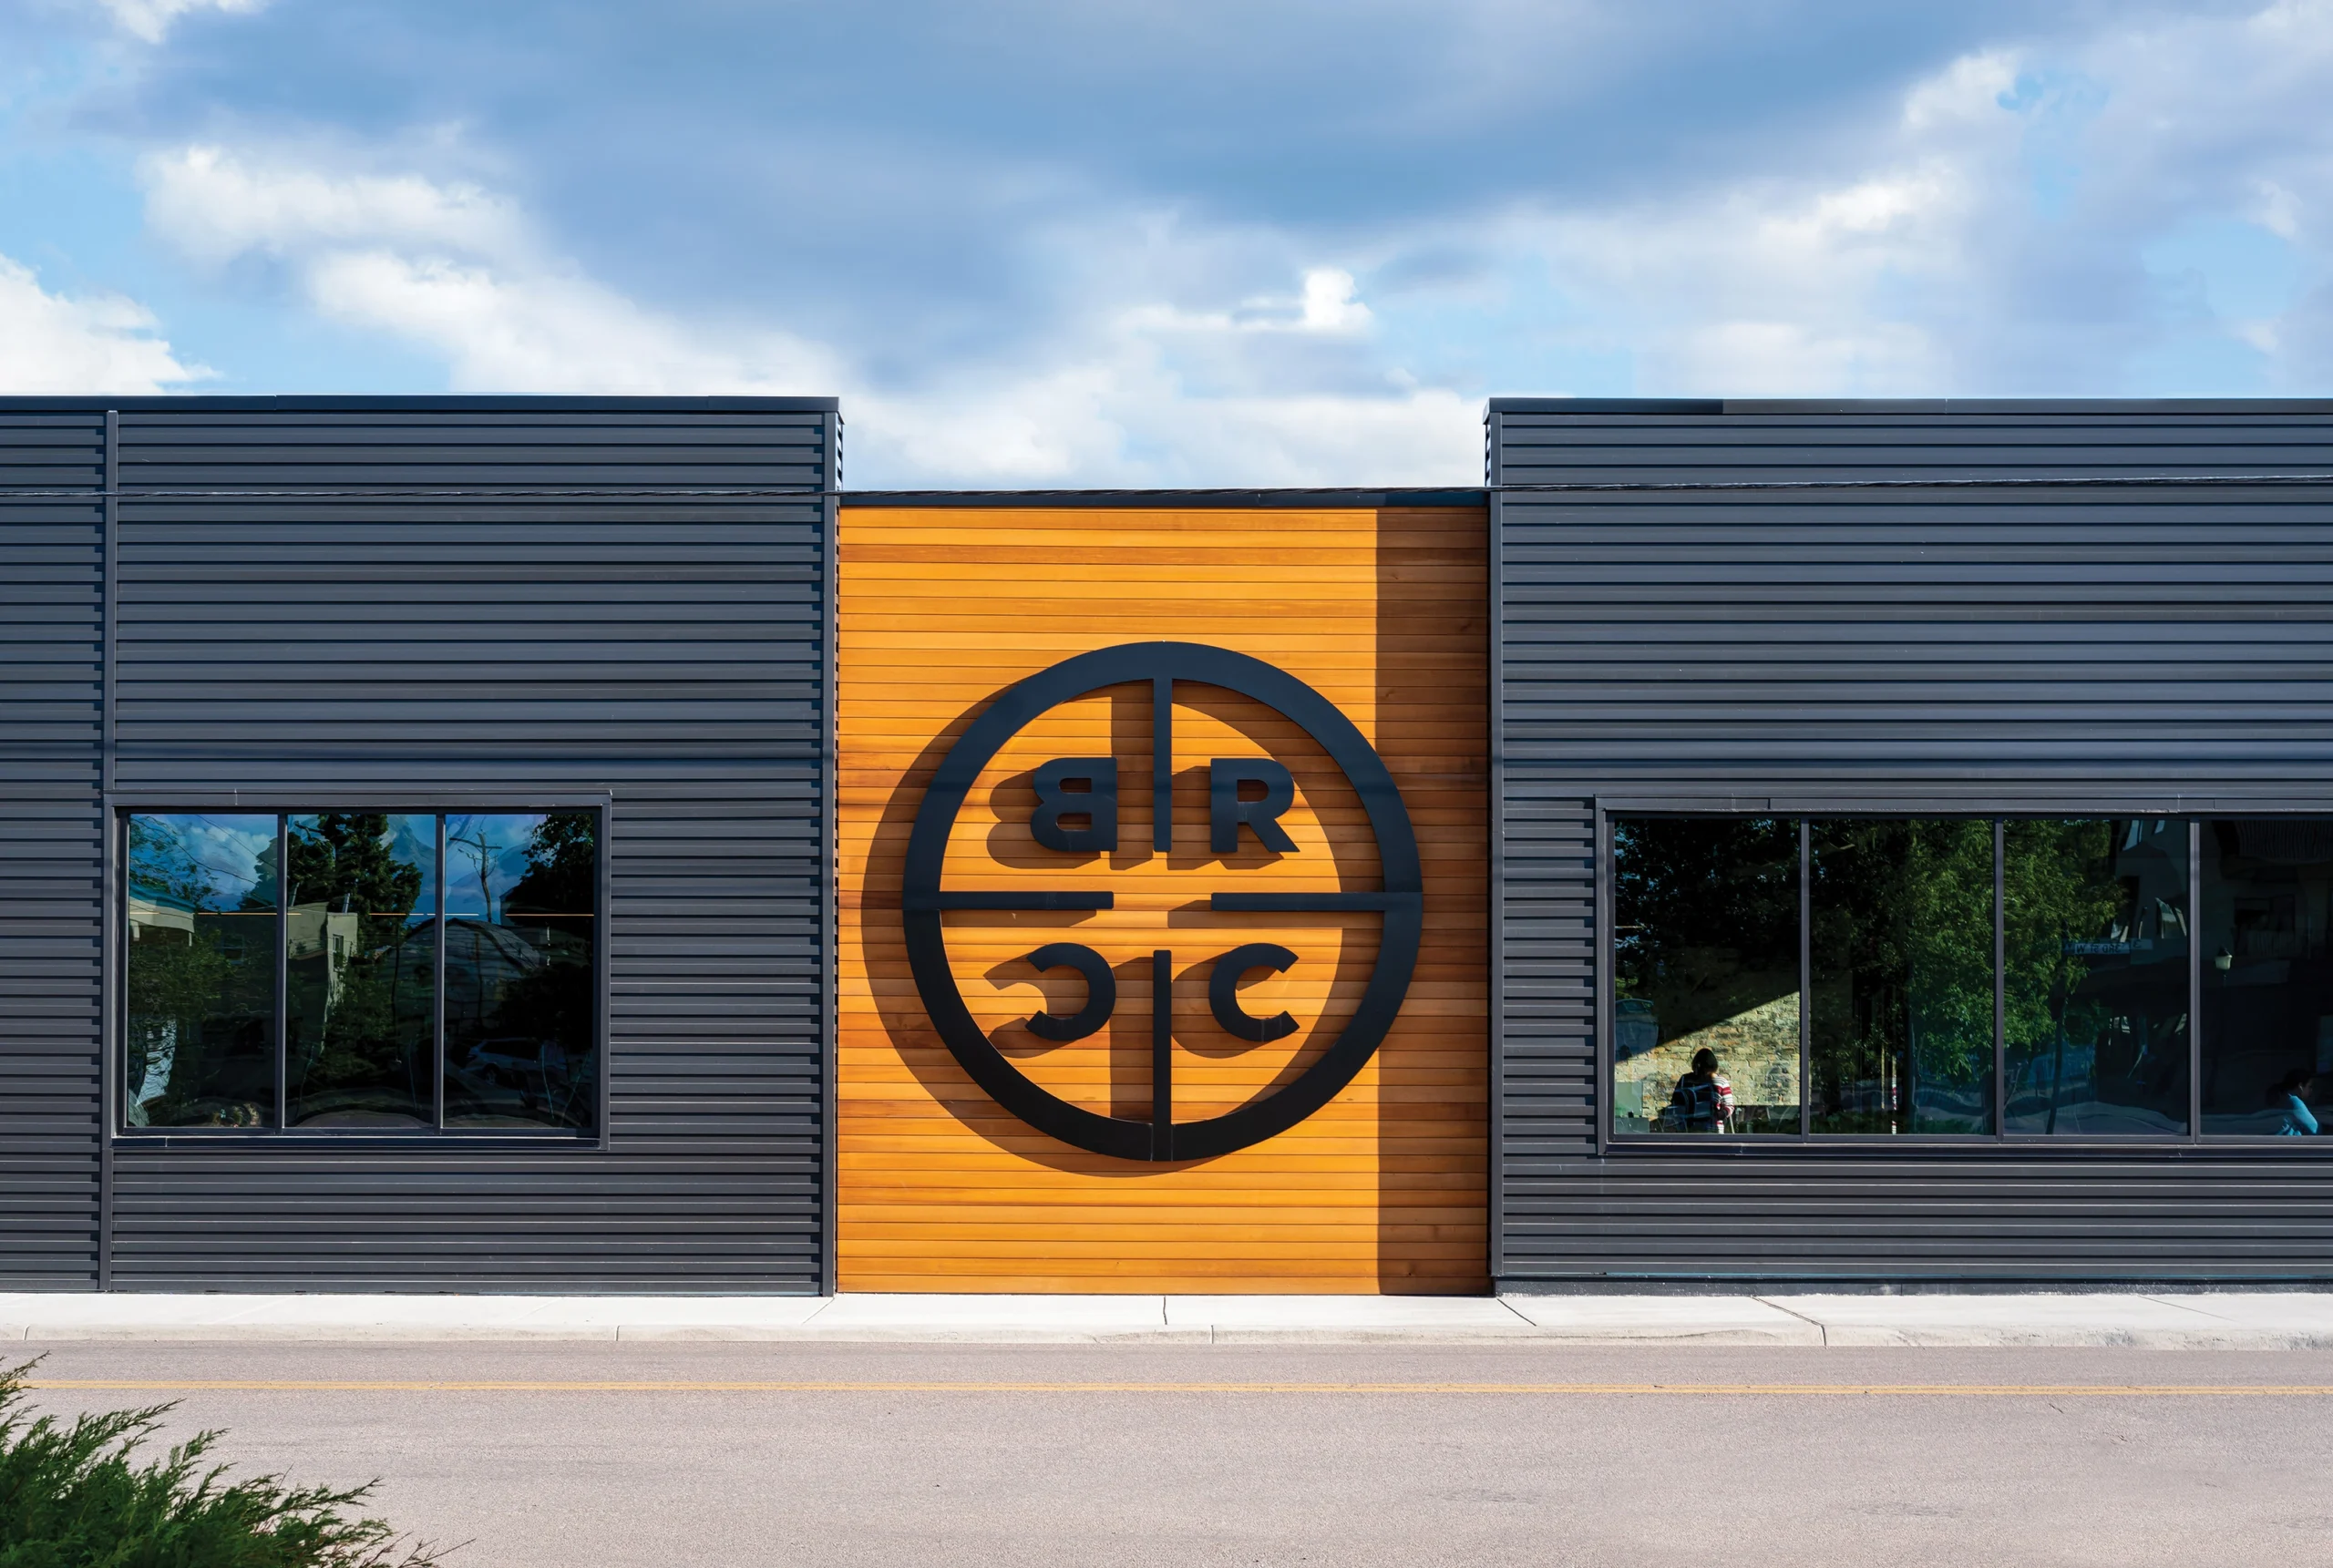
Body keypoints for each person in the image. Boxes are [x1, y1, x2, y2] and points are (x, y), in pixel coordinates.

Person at [1670, 1048, 1737, 1133]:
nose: (1702, 1071)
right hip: (1687, 1130)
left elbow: (1729, 1106)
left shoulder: (1720, 1082)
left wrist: (1719, 1115)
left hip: (1712, 1130)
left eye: (1705, 1068)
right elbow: (1675, 1103)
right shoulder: (1685, 1080)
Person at [2268, 1070, 2320, 1136]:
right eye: (2309, 1086)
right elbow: (2314, 1128)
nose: (2311, 1090)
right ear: (2301, 1086)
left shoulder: (2282, 1100)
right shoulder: (2294, 1101)